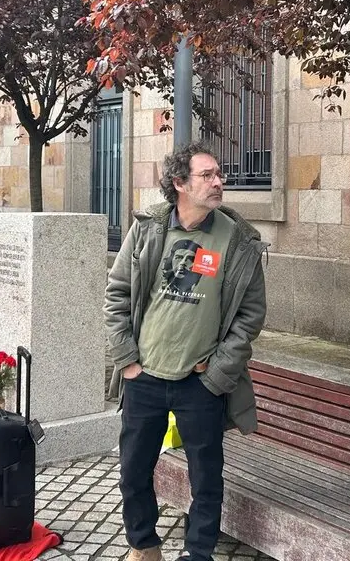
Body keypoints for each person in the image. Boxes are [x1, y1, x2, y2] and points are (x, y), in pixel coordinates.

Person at [104, 142, 268, 561]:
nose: (219, 182)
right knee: (133, 472)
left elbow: (249, 316)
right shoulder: (147, 229)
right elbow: (117, 294)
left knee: (207, 480)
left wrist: (217, 375)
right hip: (145, 377)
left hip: (201, 382)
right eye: (207, 175)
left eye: (220, 174)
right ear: (179, 183)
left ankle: (198, 554)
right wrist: (128, 360)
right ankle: (144, 545)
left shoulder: (238, 239)